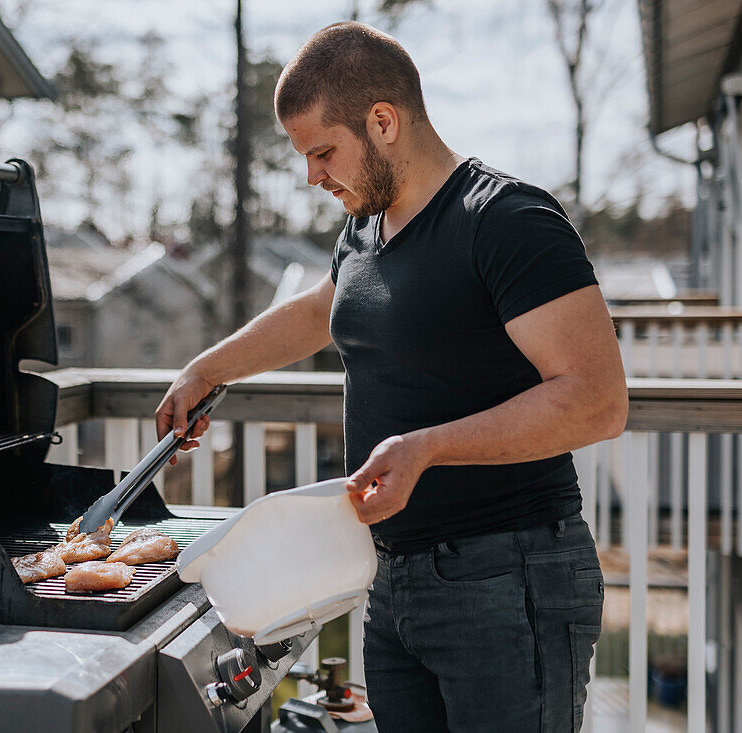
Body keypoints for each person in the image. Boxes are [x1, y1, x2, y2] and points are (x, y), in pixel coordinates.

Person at [155, 21, 627, 733]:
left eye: (322, 151)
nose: (312, 175)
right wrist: (205, 369)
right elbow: (321, 311)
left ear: (383, 122)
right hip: (395, 580)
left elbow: (596, 401)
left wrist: (426, 447)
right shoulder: (366, 229)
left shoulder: (507, 220)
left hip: (509, 580)